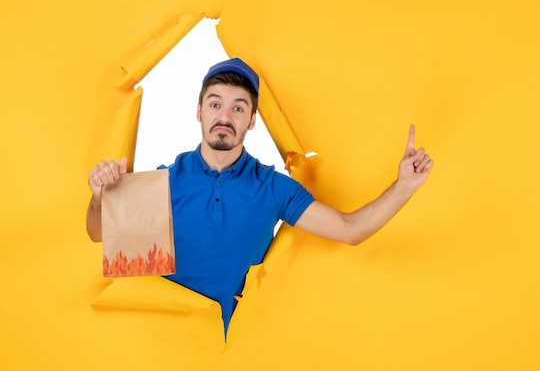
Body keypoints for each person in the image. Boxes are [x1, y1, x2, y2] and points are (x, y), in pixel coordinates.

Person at [86, 58, 433, 332]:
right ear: (199, 112)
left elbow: (350, 229)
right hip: (161, 342)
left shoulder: (273, 188)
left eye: (238, 108)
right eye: (215, 104)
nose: (225, 116)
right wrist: (101, 199)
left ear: (252, 119)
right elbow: (98, 233)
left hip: (234, 348)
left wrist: (403, 187)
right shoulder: (162, 181)